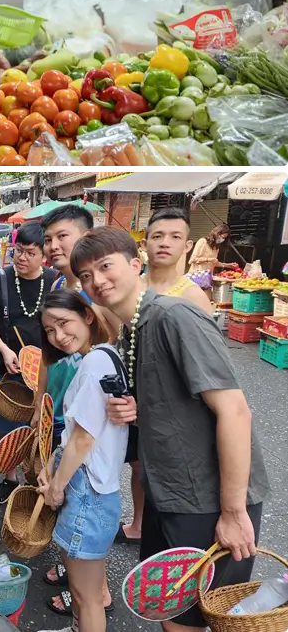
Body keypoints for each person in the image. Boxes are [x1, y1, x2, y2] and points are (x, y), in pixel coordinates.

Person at [71, 227, 270, 632]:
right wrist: (139, 410)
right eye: (87, 275)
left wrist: (233, 512)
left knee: (204, 617)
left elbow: (234, 411)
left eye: (105, 266)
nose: (97, 281)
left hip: (208, 500)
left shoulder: (174, 316)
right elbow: (178, 407)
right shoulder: (133, 329)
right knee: (172, 613)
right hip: (170, 494)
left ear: (134, 263)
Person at [110, 208, 217, 547]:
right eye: (157, 236)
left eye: (174, 237)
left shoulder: (191, 297)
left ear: (187, 246)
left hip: (173, 407)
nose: (165, 244)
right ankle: (141, 522)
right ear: (145, 244)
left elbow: (210, 369)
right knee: (139, 466)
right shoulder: (132, 287)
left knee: (157, 468)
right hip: (136, 397)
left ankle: (160, 529)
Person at [36, 204, 115, 614]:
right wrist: (40, 406)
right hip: (67, 417)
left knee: (84, 517)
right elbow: (48, 357)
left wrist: (56, 483)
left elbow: (119, 360)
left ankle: (92, 594)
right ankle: (81, 581)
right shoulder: (58, 287)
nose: (52, 246)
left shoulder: (100, 296)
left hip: (89, 436)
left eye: (61, 237)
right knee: (76, 533)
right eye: (48, 239)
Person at [37, 290, 126, 632]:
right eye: (49, 330)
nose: (58, 336)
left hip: (88, 492)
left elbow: (83, 438)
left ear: (87, 316)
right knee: (81, 589)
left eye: (64, 323)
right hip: (94, 488)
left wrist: (56, 488)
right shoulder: (103, 356)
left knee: (86, 596)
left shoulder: (93, 365)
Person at [0, 222, 58, 504]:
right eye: (17, 250)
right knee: (4, 423)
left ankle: (40, 480)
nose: (21, 258)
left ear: (43, 254)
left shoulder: (55, 280)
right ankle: (10, 478)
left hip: (46, 367)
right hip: (7, 366)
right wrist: (4, 350)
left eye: (29, 253)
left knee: (44, 426)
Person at [188, 223, 237, 300]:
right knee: (194, 300)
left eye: (224, 238)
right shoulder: (203, 242)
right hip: (197, 277)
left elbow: (215, 262)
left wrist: (228, 265)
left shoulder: (216, 248)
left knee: (207, 300)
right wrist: (208, 259)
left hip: (207, 280)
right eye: (221, 236)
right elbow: (192, 260)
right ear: (216, 233)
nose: (222, 239)